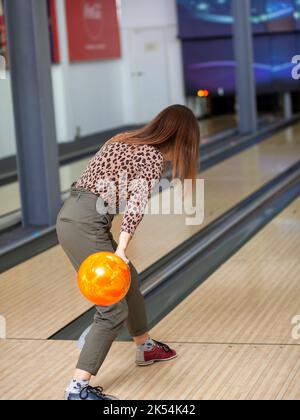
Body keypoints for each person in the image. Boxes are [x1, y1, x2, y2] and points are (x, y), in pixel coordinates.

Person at [56, 104, 200, 400]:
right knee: (113, 309)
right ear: (179, 139)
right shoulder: (152, 156)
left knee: (129, 279)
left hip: (74, 216)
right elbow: (136, 206)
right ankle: (77, 388)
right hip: (86, 223)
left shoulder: (125, 139)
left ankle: (145, 347)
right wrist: (120, 249)